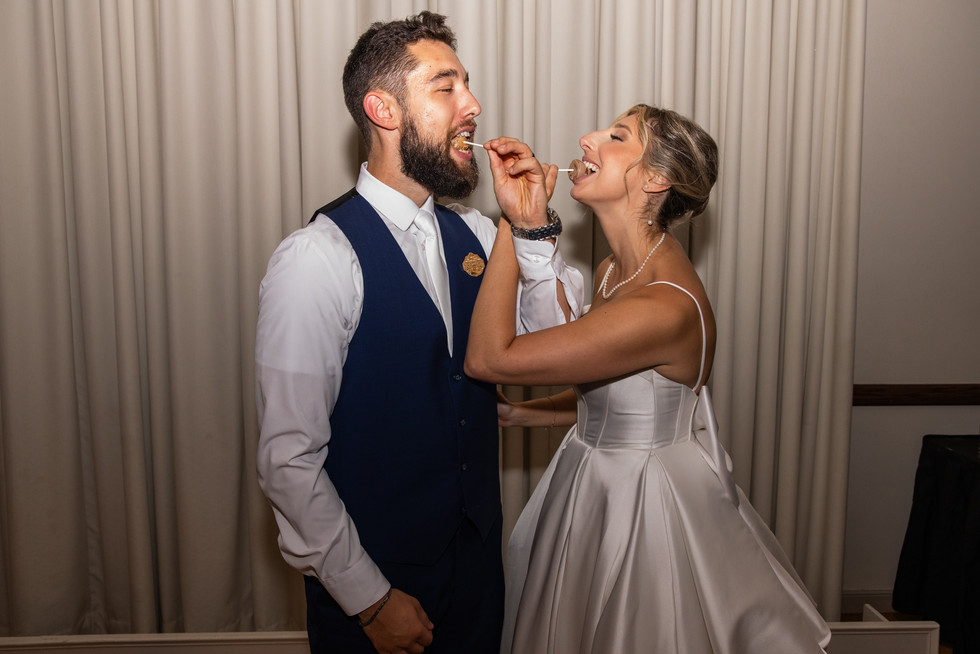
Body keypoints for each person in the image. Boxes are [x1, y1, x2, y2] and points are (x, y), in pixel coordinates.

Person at [254, 11, 583, 654]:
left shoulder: (483, 235)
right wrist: (369, 598)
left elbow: (562, 349)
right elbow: (288, 461)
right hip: (374, 589)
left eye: (468, 85)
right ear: (384, 109)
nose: (473, 105)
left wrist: (531, 227)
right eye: (446, 86)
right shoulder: (316, 259)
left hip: (478, 579)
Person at [465, 105, 832, 653]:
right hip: (593, 481)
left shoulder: (663, 307)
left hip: (641, 503)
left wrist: (511, 222)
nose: (588, 139)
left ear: (656, 178)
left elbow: (490, 359)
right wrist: (521, 414)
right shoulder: (616, 270)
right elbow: (616, 398)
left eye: (617, 136)